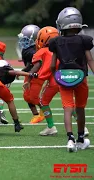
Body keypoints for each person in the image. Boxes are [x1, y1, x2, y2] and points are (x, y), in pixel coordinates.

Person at [49, 7, 93, 152]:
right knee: (80, 109)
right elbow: (89, 60)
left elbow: (52, 65)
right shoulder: (84, 40)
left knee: (68, 109)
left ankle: (70, 139)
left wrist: (55, 76)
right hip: (80, 77)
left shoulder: (56, 41)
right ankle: (81, 139)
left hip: (64, 77)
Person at [18, 24, 45, 124]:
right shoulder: (27, 50)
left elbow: (34, 64)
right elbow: (29, 62)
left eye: (26, 39)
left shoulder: (33, 50)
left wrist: (21, 71)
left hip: (36, 75)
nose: (23, 42)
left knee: (33, 97)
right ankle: (36, 115)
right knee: (26, 96)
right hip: (29, 74)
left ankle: (44, 110)